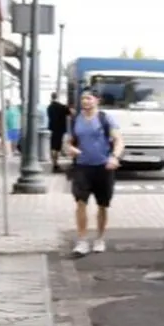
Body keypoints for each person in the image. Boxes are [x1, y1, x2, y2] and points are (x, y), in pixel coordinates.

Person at [64, 90, 124, 256]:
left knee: (102, 205)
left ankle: (99, 238)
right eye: (83, 98)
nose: (85, 101)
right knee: (80, 203)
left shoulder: (105, 118)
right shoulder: (76, 119)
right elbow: (68, 142)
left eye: (89, 98)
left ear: (97, 100)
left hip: (103, 167)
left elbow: (118, 140)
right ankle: (82, 240)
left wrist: (114, 157)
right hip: (82, 167)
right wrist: (70, 148)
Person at [47, 93, 70, 173]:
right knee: (57, 147)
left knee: (53, 146)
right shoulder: (61, 107)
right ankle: (56, 165)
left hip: (53, 129)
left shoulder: (49, 107)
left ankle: (54, 163)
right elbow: (70, 113)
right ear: (58, 97)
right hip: (60, 129)